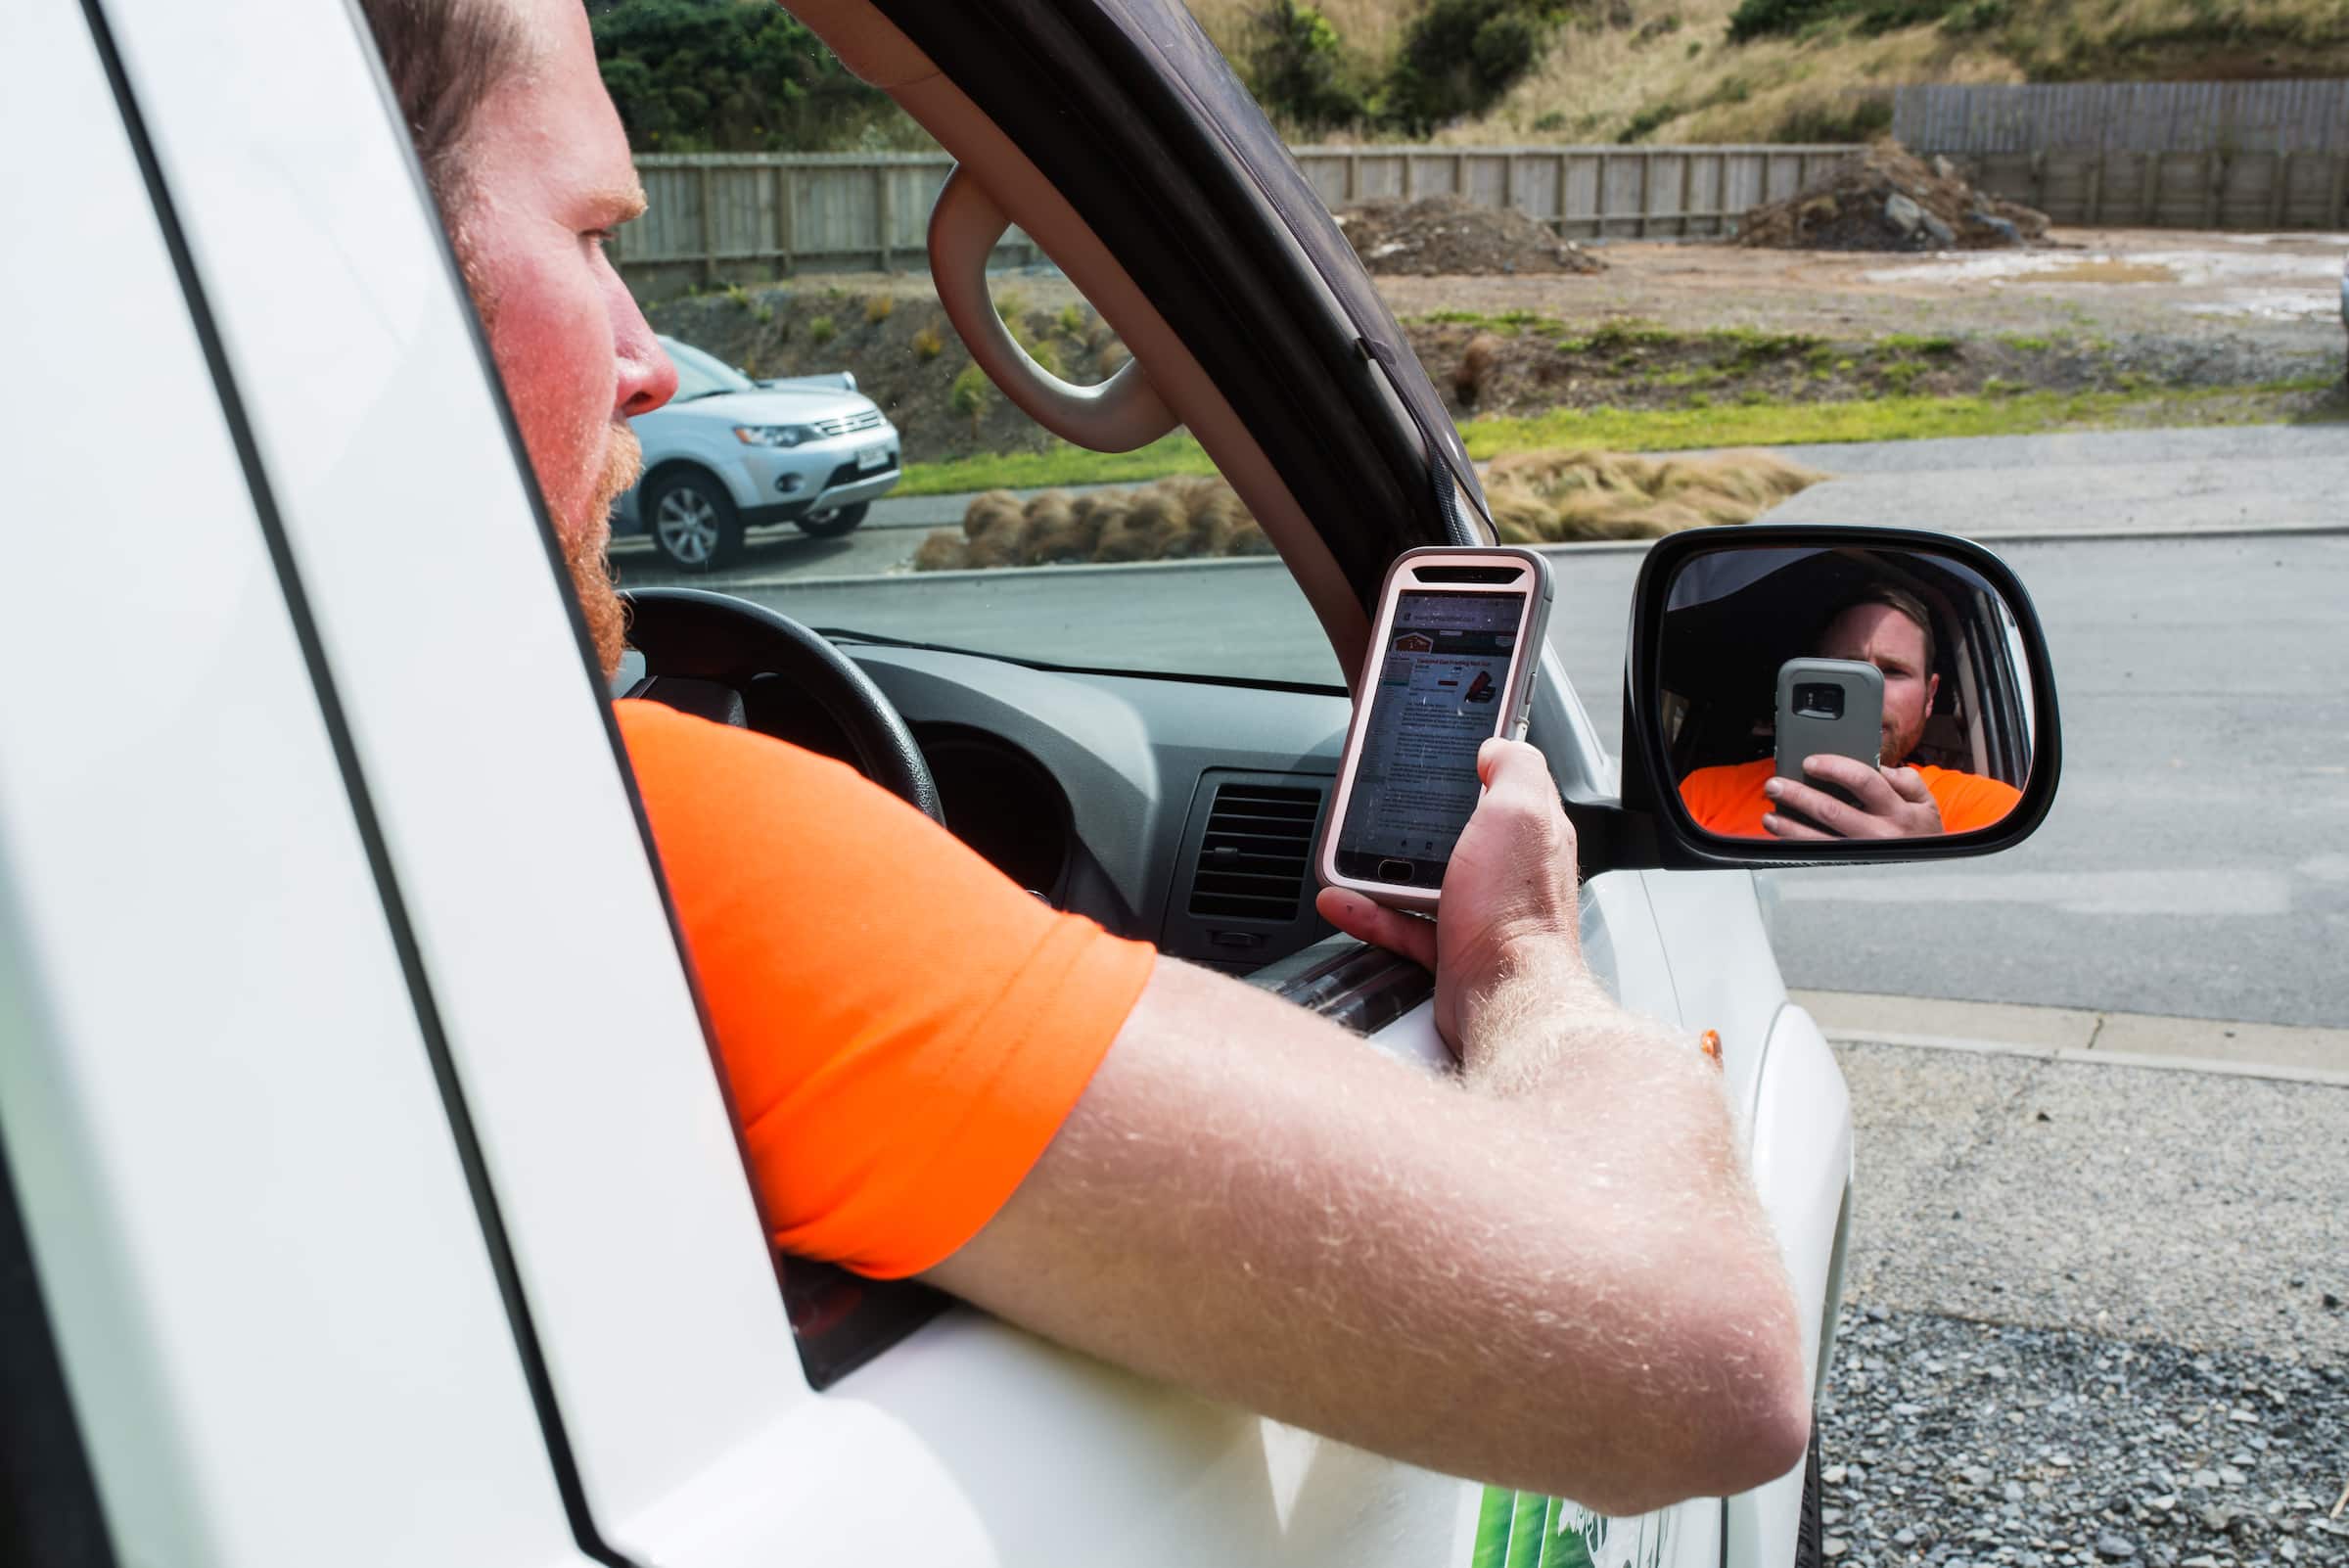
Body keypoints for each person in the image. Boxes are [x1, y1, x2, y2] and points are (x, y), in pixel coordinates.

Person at [359, 0, 1808, 1510]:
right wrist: (1522, 969)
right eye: (593, 233)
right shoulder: (634, 842)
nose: (649, 361)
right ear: (364, 270)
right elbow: (1710, 1363)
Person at [1679, 586, 2022, 840]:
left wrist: (1927, 851)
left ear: (1930, 696)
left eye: (1893, 671)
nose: (1871, 694)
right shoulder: (1705, 794)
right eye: (1849, 670)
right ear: (1809, 682)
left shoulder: (1989, 808)